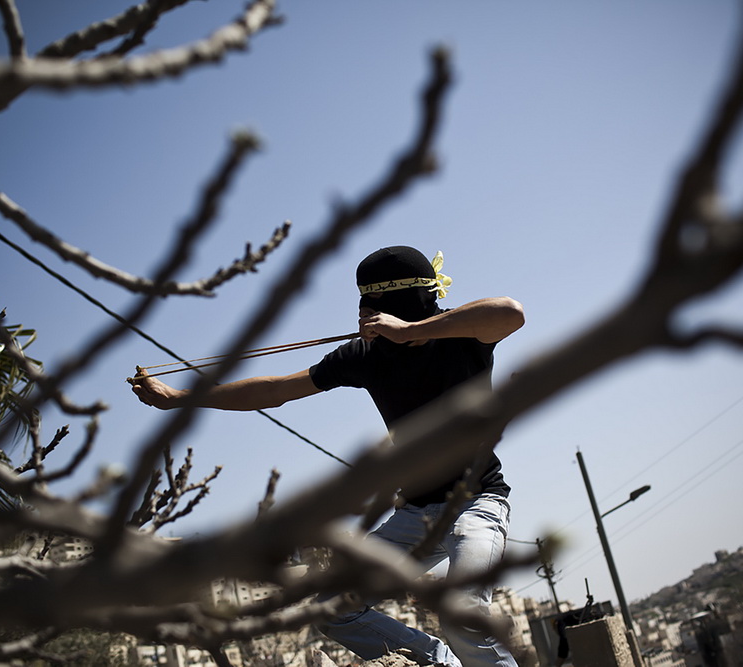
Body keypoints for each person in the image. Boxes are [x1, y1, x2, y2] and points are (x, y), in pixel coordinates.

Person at [132, 246, 524, 666]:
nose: (364, 316)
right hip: (415, 515)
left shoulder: (461, 337)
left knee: (463, 611)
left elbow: (510, 312)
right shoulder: (365, 356)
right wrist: (181, 398)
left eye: (372, 306)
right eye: (362, 307)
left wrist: (412, 331)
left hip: (477, 504)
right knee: (336, 608)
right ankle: (438, 662)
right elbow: (273, 390)